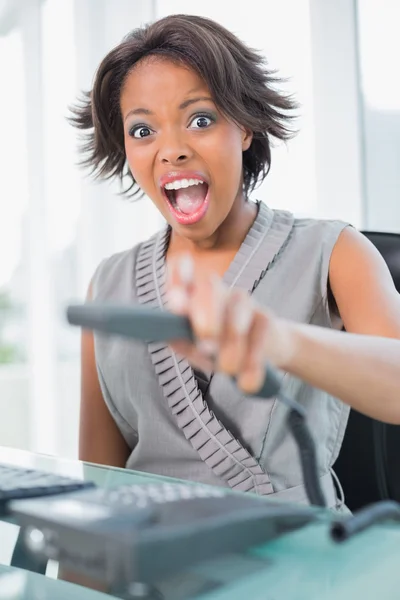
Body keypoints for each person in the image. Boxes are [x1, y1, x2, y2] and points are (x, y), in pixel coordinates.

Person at [71, 14, 400, 511]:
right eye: (143, 130)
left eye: (200, 119)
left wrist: (283, 341)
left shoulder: (335, 251)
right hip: (150, 566)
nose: (172, 151)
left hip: (295, 561)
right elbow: (98, 484)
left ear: (244, 127)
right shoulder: (108, 283)